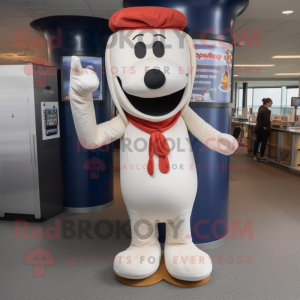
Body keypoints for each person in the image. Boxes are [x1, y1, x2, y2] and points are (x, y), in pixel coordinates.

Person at [253, 98, 273, 162]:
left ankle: (255, 156)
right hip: (264, 129)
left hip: (258, 127)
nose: (271, 104)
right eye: (270, 103)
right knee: (263, 143)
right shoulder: (266, 110)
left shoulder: (260, 108)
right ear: (267, 103)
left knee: (257, 142)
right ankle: (261, 157)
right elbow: (267, 121)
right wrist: (268, 125)